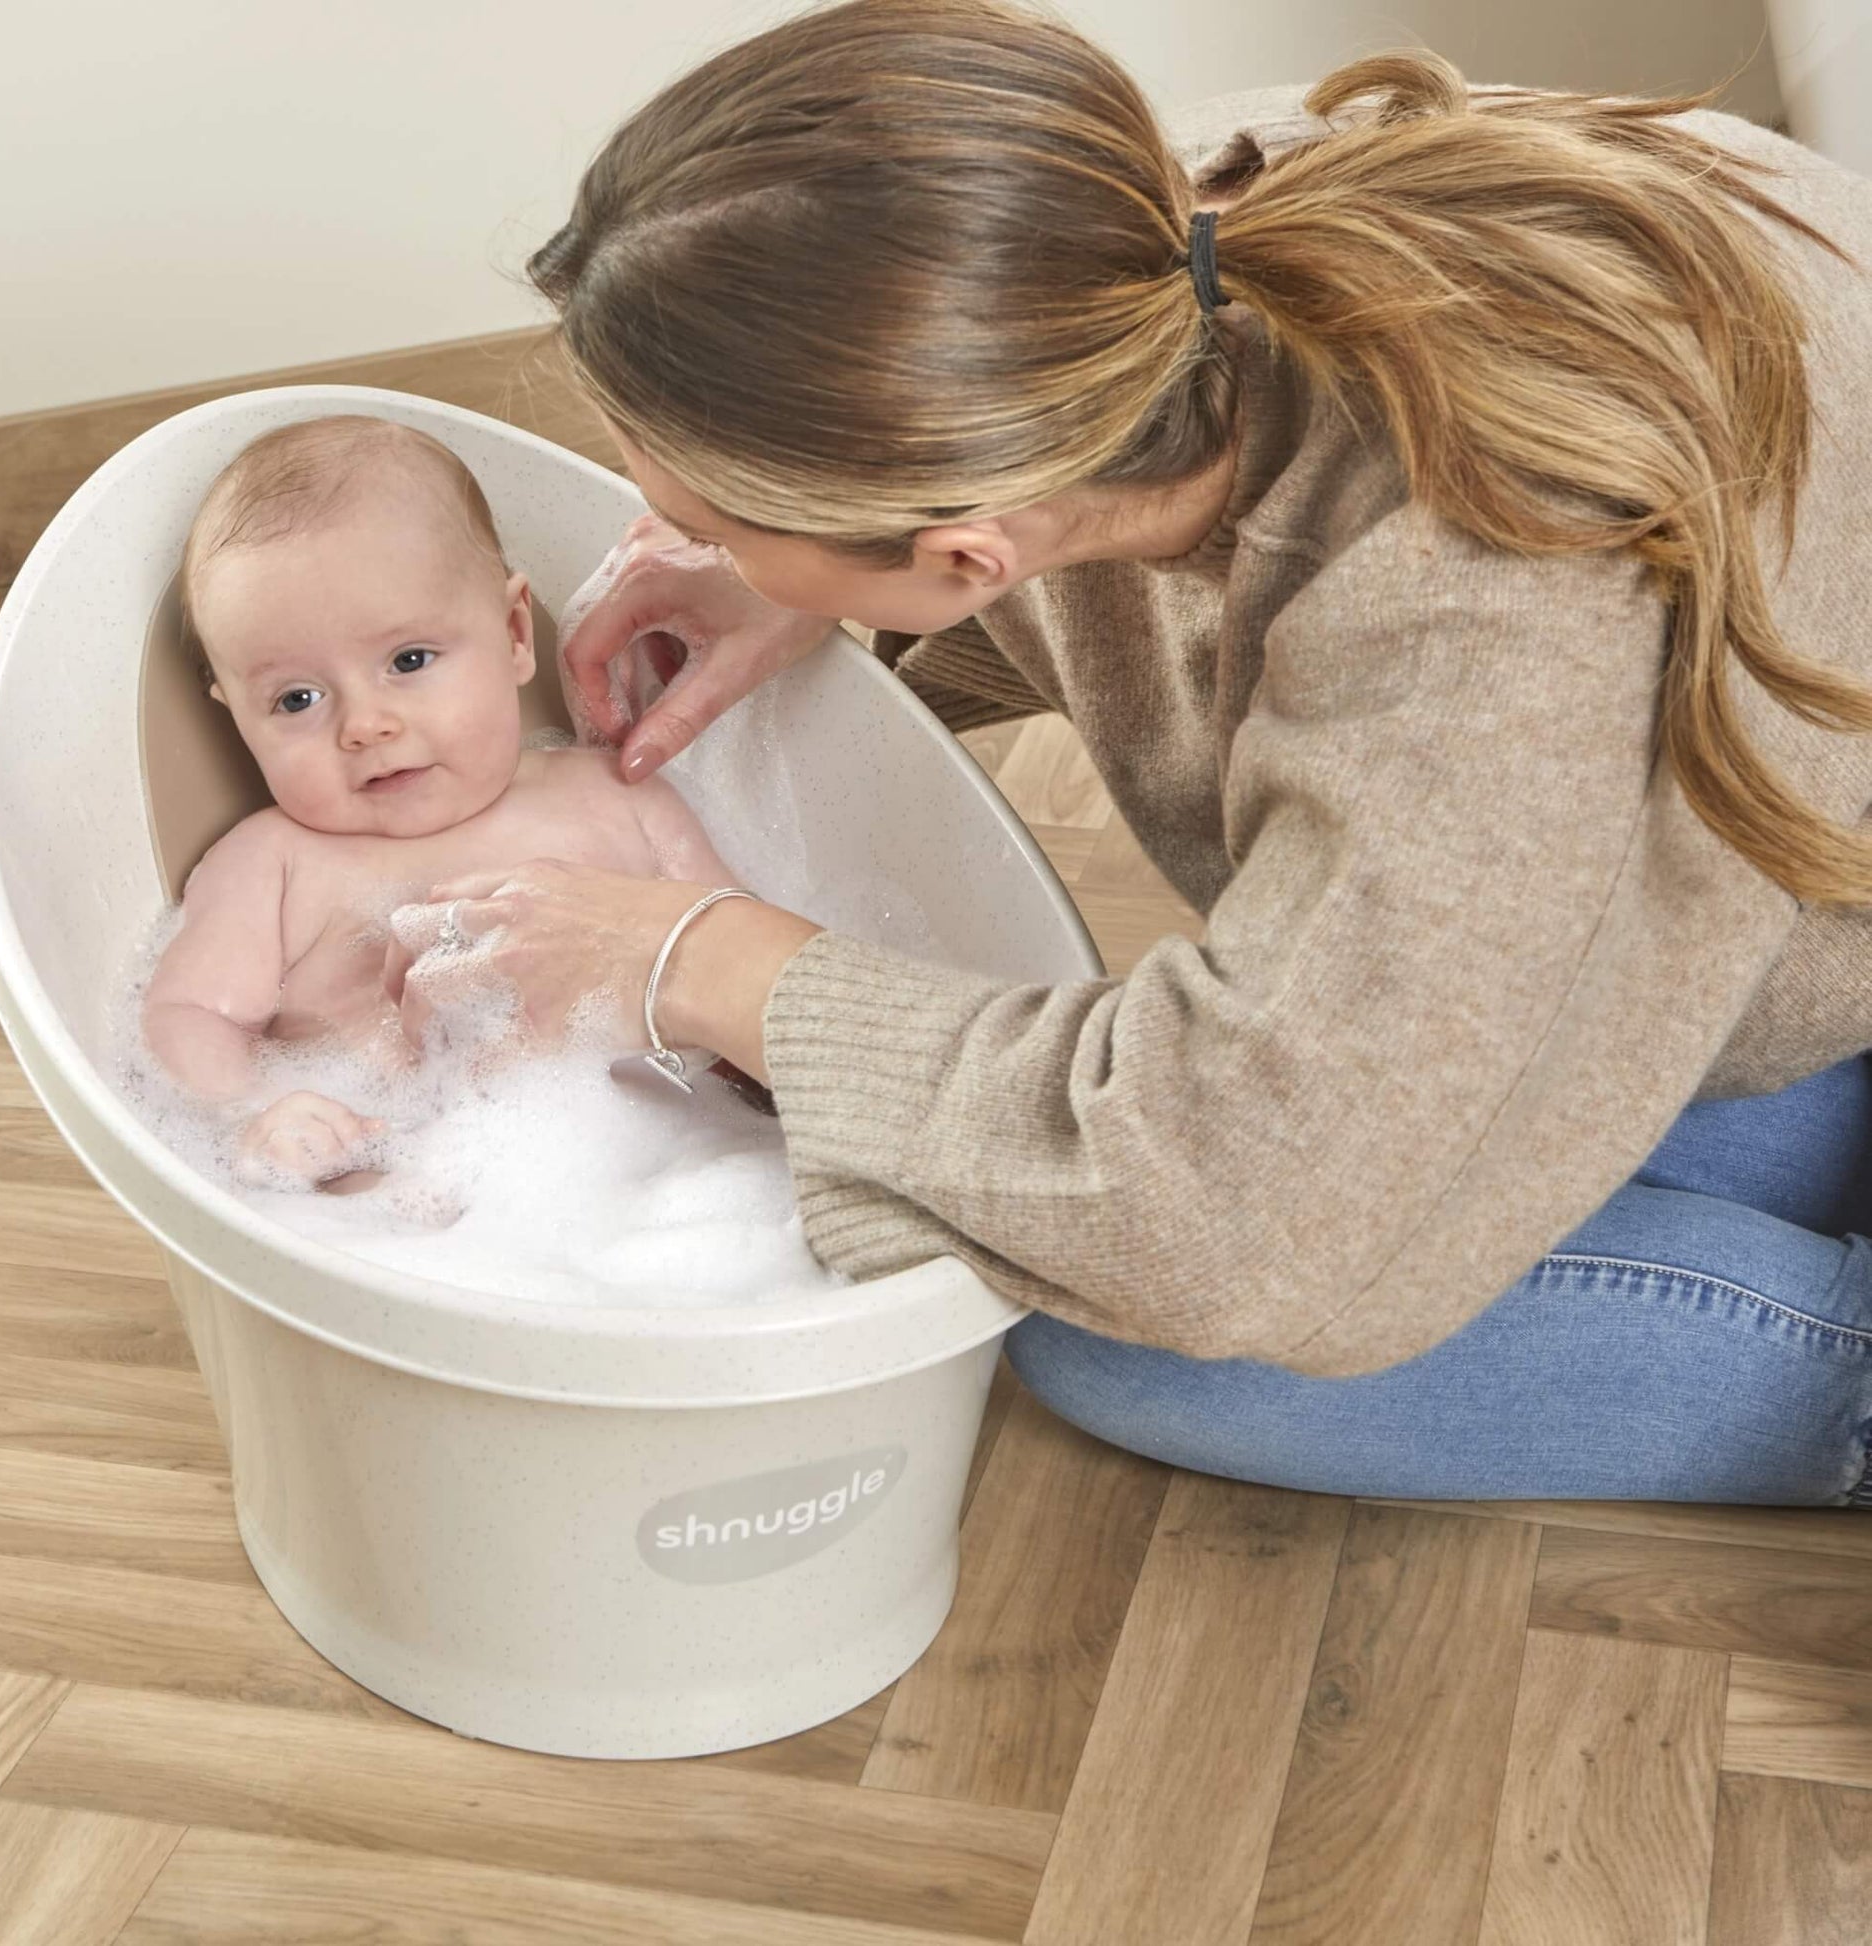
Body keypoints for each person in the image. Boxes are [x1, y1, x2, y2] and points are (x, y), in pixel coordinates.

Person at [393, 0, 1872, 1503]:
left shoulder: (1491, 607)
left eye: (709, 524)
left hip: (1798, 913)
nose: (681, 555)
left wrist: (709, 962)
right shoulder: (1115, 242)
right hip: (1801, 877)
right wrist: (788, 587)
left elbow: (1239, 1220)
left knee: (1119, 1335)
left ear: (968, 547)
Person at [143, 415, 733, 1185]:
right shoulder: (273, 860)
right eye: (296, 699)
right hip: (401, 1190)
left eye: (408, 659)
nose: (365, 725)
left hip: (665, 1170)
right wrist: (255, 1111)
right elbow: (189, 1015)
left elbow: (740, 955)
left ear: (515, 633)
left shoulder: (621, 796)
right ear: (236, 713)